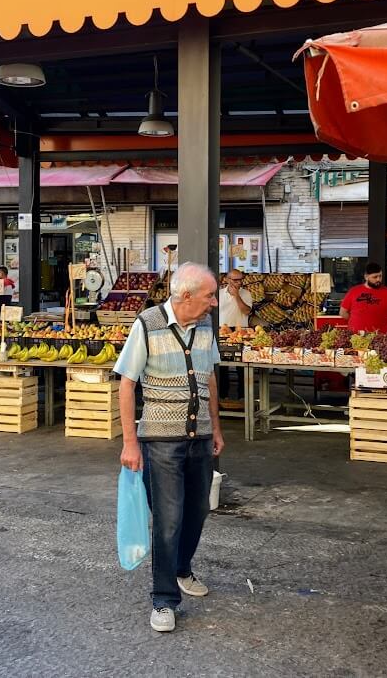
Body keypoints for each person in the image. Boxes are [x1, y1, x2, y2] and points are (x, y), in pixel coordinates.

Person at [115, 262, 225, 634]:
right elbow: (126, 384)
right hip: (160, 441)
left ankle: (181, 569)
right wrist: (130, 442)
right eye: (210, 295)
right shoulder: (146, 324)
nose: (214, 302)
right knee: (168, 519)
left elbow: (209, 378)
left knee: (198, 511)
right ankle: (163, 599)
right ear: (186, 295)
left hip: (201, 438)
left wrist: (218, 430)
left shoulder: (206, 327)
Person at [339, 262, 387, 333]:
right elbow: (343, 312)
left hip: (381, 337)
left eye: (380, 276)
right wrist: (356, 320)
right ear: (366, 277)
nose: (378, 279)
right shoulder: (353, 291)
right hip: (356, 336)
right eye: (375, 277)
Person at [217, 269, 252, 399]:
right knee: (222, 366)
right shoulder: (219, 294)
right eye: (235, 280)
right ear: (227, 279)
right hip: (223, 330)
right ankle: (223, 396)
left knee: (242, 366)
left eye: (240, 280)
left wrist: (236, 295)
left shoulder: (246, 294)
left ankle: (243, 397)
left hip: (241, 330)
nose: (238, 282)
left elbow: (247, 311)